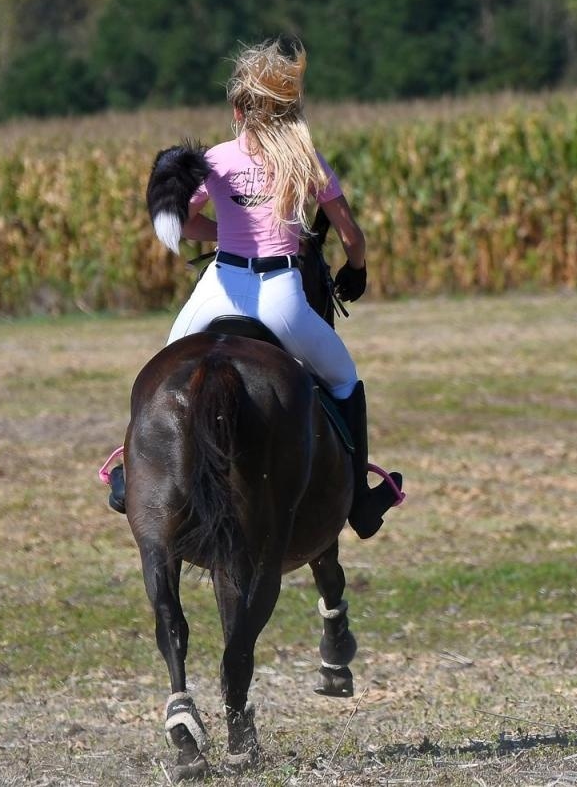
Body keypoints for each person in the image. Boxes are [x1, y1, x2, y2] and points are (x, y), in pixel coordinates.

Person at [109, 38, 404, 536]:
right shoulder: (305, 159)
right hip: (280, 294)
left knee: (161, 375)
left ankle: (130, 476)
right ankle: (359, 501)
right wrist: (358, 268)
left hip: (219, 286)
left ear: (237, 110)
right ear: (288, 109)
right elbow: (351, 236)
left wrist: (229, 230)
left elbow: (180, 224)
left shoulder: (216, 159)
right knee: (344, 380)